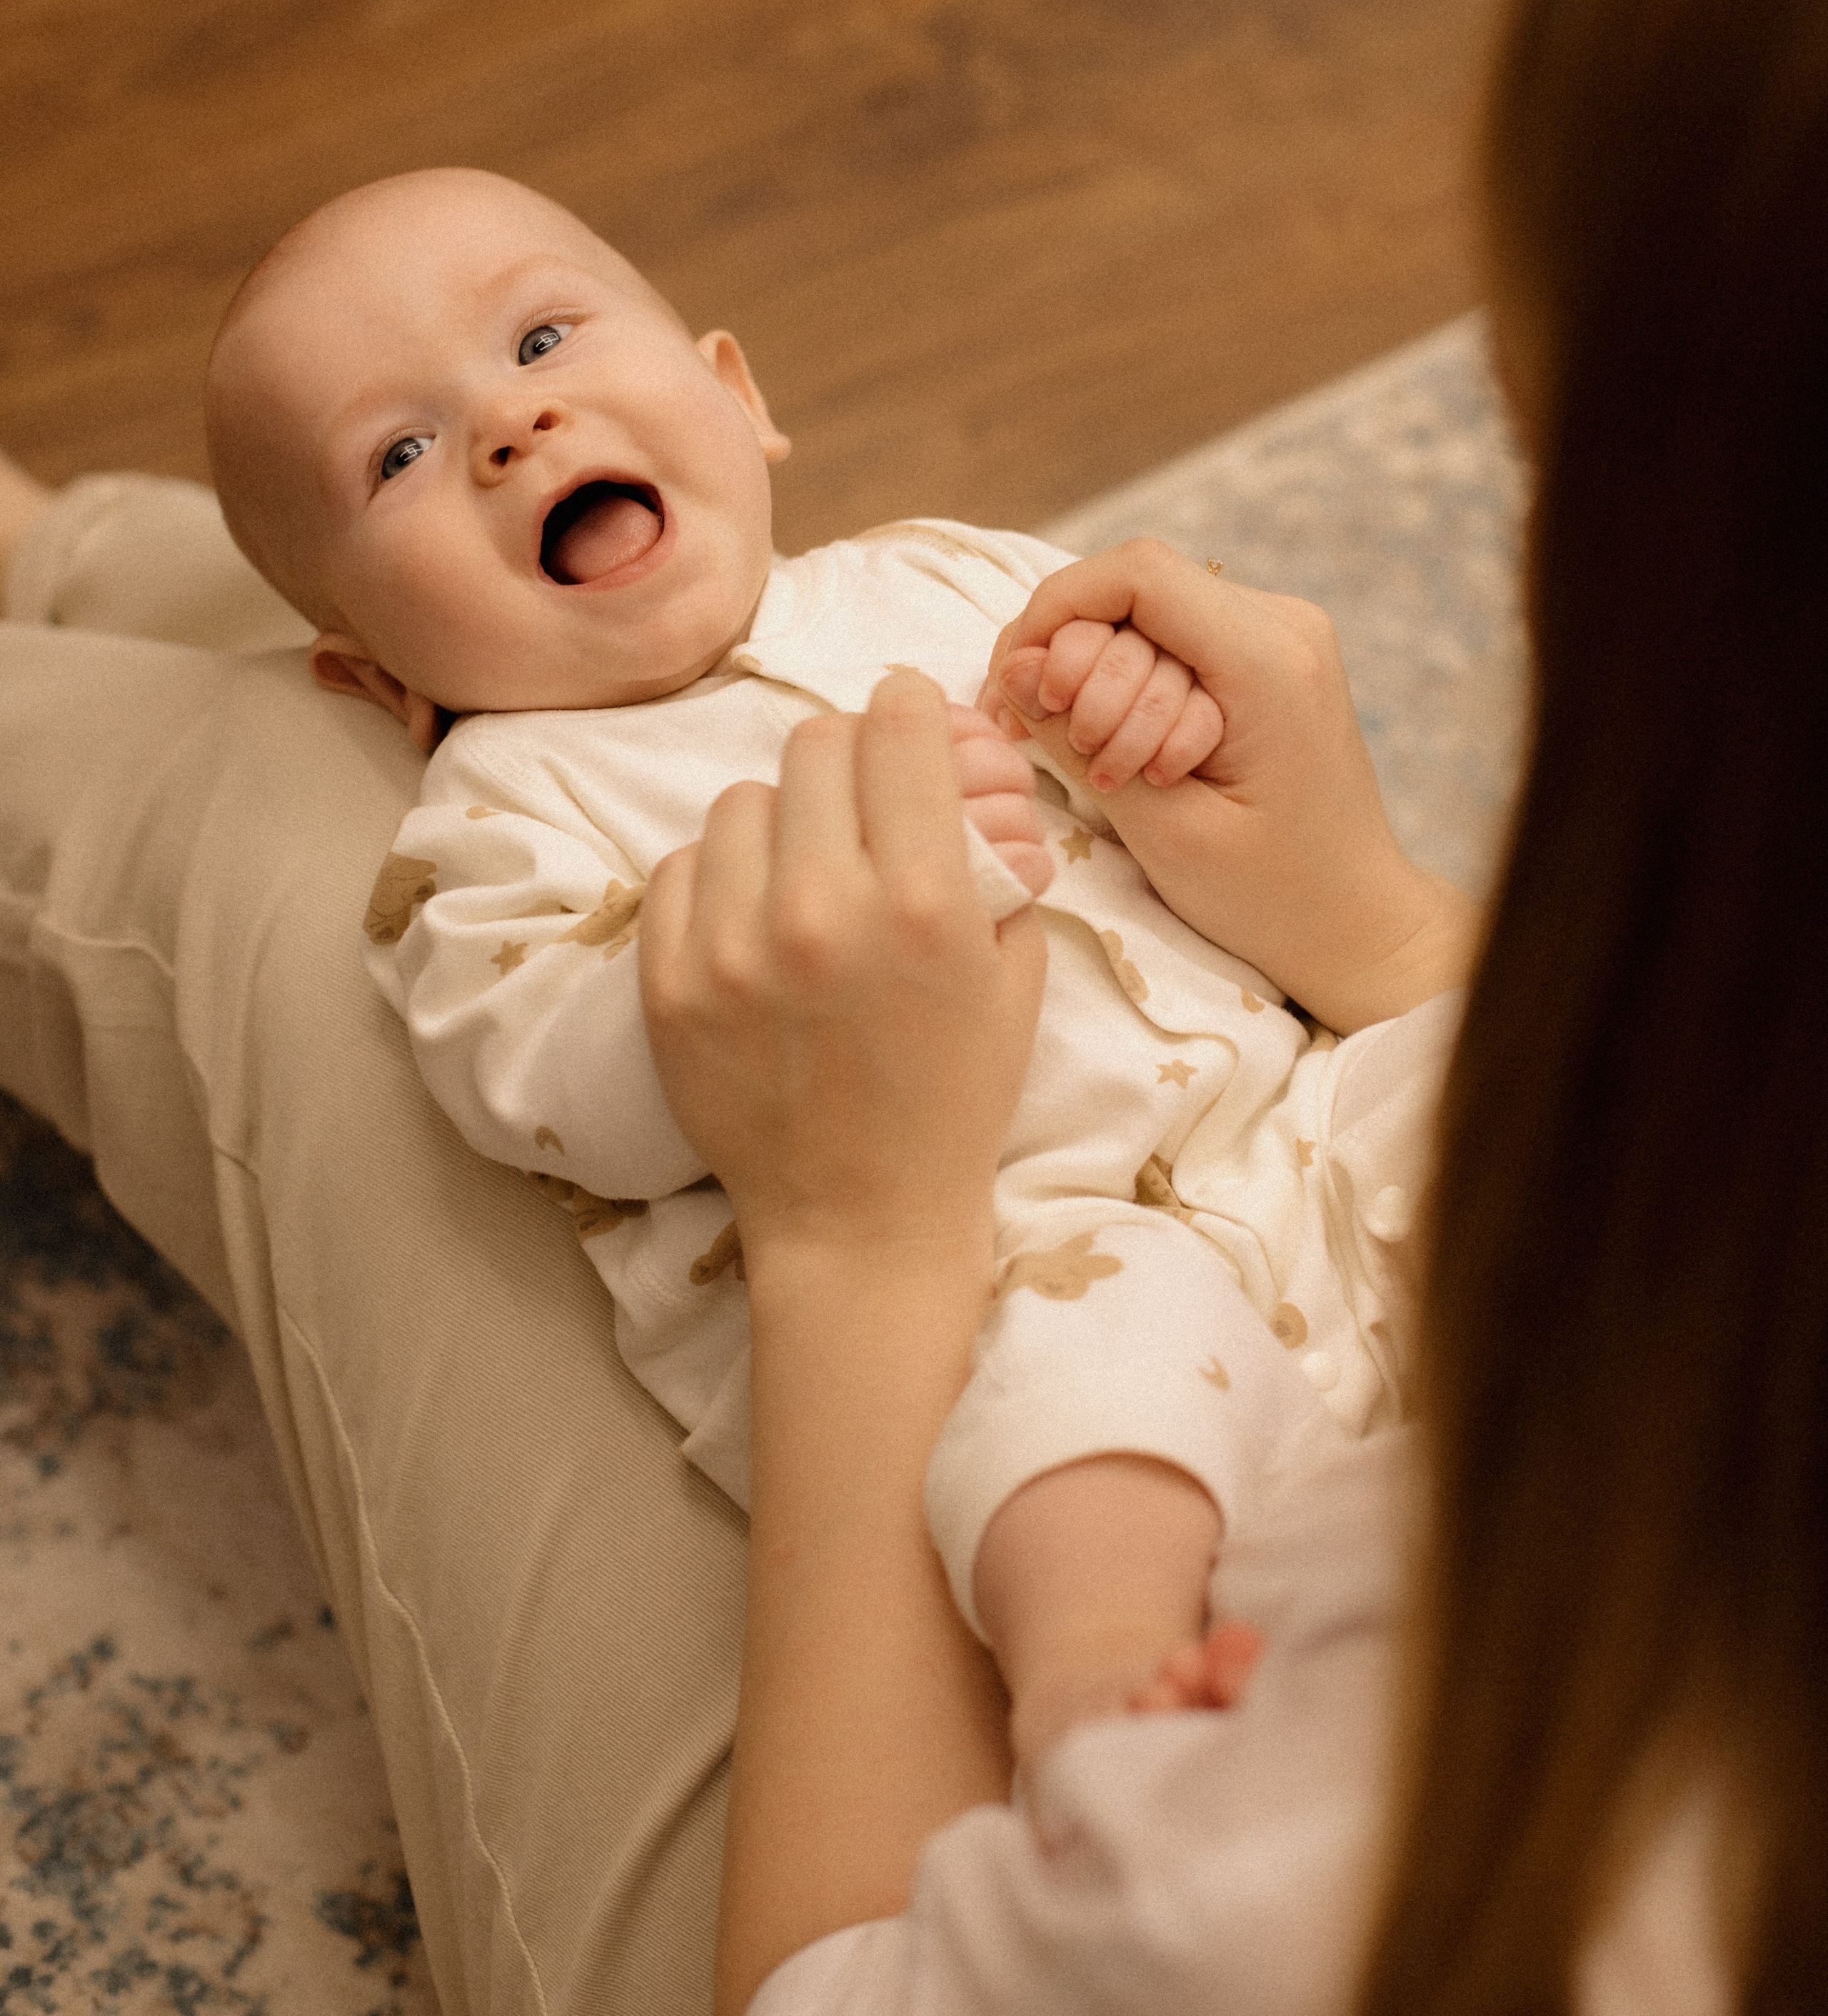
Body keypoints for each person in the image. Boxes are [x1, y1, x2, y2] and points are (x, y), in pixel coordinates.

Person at [628, 0, 1828, 2015]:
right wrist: (1379, 933)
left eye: (1533, 464)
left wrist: (857, 1242)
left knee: (268, 876)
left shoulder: (1479, 1823)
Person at [196, 169, 1471, 1761]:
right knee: (1092, 1364)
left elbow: (1191, 787)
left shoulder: (946, 579)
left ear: (736, 399)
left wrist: (1143, 709)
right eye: (397, 453)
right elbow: (535, 1086)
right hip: (1009, 1272)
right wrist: (724, 973)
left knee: (1464, 1091)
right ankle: (1106, 1682)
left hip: (1284, 1121)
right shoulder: (498, 823)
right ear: (375, 677)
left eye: (539, 337)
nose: (507, 429)